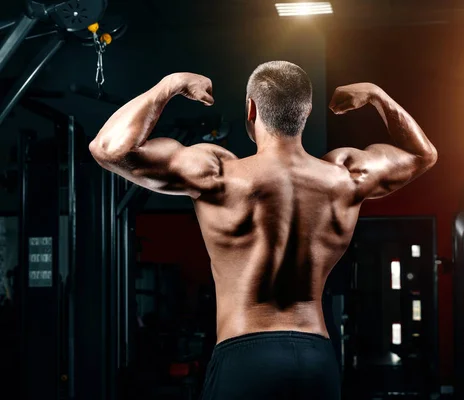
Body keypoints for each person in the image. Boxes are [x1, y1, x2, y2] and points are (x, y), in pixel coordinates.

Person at [89, 61, 437, 399]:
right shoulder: (345, 176)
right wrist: (378, 96)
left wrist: (170, 84)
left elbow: (108, 149)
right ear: (306, 112)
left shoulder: (217, 173)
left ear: (251, 109)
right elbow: (422, 155)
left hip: (245, 356)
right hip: (317, 357)